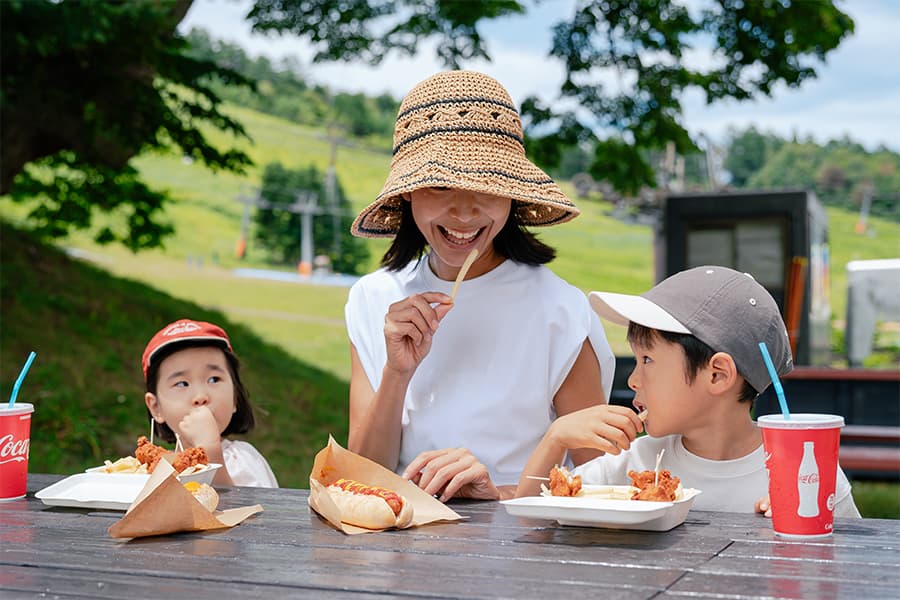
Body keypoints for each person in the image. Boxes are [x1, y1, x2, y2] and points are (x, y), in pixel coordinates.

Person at [345, 70, 616, 502]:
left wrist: (498, 493)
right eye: (439, 186)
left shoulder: (560, 310)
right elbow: (362, 480)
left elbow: (603, 483)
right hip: (401, 550)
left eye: (486, 187)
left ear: (513, 196)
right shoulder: (372, 299)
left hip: (522, 551)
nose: (464, 212)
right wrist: (398, 373)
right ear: (407, 196)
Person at [516, 266, 861, 517]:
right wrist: (555, 439)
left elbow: (851, 565)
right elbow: (527, 521)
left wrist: (798, 529)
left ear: (717, 376)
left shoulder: (805, 473)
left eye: (647, 359)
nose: (633, 381)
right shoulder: (634, 465)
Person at [142, 318, 278, 488]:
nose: (200, 396)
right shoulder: (155, 469)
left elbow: (250, 510)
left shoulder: (242, 459)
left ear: (235, 396)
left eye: (214, 379)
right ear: (156, 407)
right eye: (182, 383)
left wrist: (209, 450)